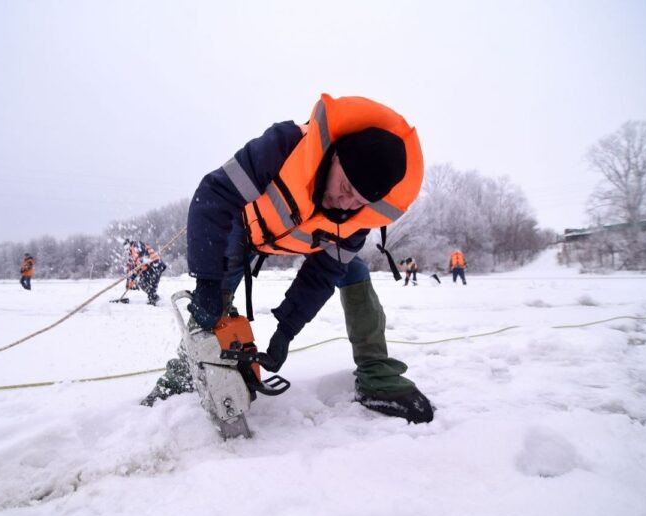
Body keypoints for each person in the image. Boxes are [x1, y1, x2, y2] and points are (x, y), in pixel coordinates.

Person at [143, 94, 434, 424]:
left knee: (353, 269)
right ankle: (181, 376)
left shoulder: (355, 222)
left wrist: (286, 332)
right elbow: (214, 193)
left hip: (300, 241)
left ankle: (377, 374)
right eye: (345, 186)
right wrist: (207, 282)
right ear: (335, 156)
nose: (345, 202)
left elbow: (323, 273)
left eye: (359, 200)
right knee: (213, 305)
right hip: (245, 228)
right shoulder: (283, 146)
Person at [125, 240, 167, 305]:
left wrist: (143, 260)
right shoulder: (134, 251)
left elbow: (143, 257)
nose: (127, 251)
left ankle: (154, 299)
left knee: (148, 284)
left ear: (129, 246)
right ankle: (154, 298)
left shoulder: (136, 246)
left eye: (127, 249)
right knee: (145, 283)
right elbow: (138, 267)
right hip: (153, 266)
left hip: (154, 265)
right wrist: (132, 278)